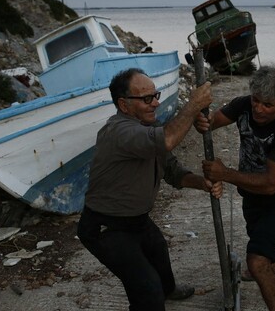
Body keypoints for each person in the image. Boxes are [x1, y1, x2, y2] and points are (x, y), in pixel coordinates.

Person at [77, 68, 222, 311]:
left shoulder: (145, 128)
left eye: (156, 95)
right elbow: (167, 140)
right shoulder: (120, 131)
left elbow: (173, 172)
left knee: (158, 253)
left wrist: (203, 184)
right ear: (123, 105)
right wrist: (194, 105)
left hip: (136, 220)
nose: (155, 103)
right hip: (106, 226)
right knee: (147, 291)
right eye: (147, 99)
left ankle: (169, 289)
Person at [195, 65, 275, 311]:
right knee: (261, 243)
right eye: (256, 100)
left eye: (268, 105)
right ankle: (270, 264)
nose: (258, 108)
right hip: (251, 198)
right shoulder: (244, 105)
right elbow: (210, 123)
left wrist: (225, 174)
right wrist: (200, 119)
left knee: (257, 262)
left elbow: (270, 185)